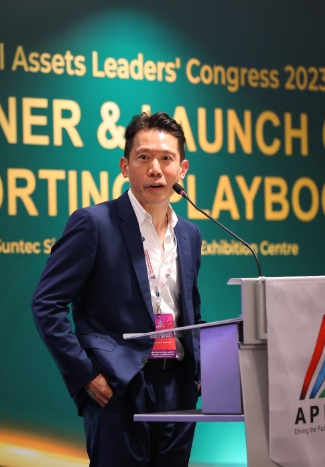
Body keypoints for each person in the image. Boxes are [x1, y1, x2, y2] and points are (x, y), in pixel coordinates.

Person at [31, 111, 203, 466]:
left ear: (182, 169)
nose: (155, 169)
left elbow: (190, 312)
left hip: (177, 388)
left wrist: (202, 372)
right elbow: (46, 303)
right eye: (144, 157)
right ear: (125, 167)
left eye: (166, 158)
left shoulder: (190, 234)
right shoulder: (94, 223)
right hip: (120, 386)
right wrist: (87, 376)